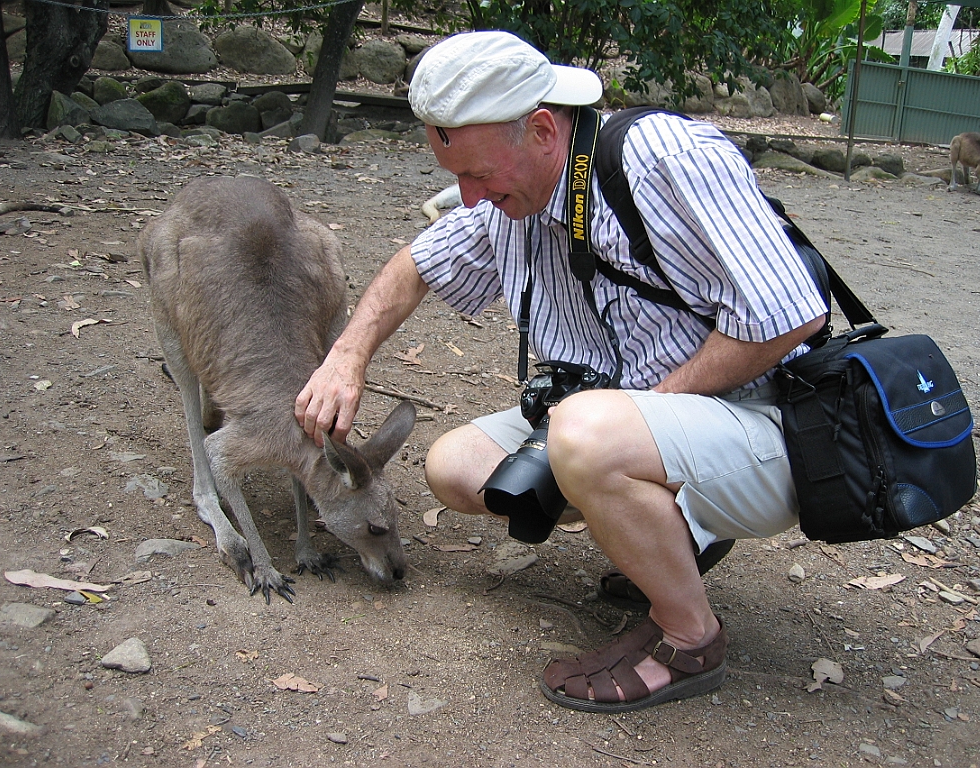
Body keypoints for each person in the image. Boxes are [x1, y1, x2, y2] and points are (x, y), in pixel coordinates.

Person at [295, 30, 826, 713]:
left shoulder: (662, 159)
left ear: (543, 130)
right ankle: (672, 535)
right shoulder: (512, 198)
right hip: (625, 414)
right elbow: (417, 266)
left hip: (769, 427)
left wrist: (646, 414)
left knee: (586, 434)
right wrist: (347, 355)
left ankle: (690, 640)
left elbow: (790, 316)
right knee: (456, 466)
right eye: (458, 177)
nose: (469, 197)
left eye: (478, 175)